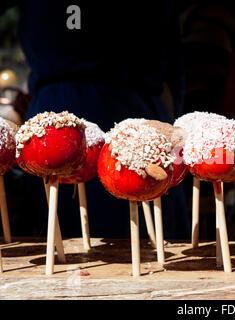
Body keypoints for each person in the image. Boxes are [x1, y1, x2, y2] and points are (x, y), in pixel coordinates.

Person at [0, 1, 190, 239]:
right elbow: (175, 66)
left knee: (146, 231)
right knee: (65, 233)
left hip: (89, 106)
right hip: (67, 117)